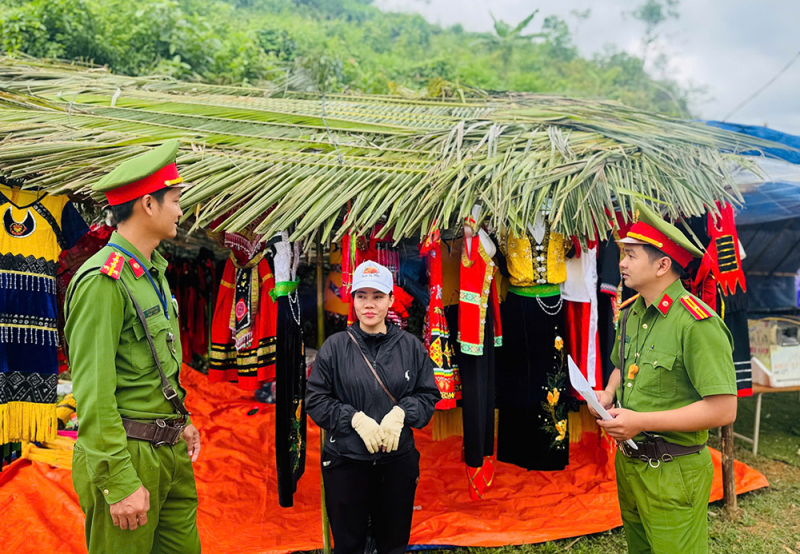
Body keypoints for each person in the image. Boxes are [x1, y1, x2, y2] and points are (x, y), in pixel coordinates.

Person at [64, 140, 202, 554]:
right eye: (175, 200)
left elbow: (153, 367)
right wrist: (118, 480)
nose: (181, 211)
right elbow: (92, 393)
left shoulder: (152, 274)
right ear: (148, 204)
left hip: (169, 449)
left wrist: (180, 418)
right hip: (128, 455)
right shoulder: (103, 281)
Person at [592, 200, 737, 554]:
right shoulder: (631, 313)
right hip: (630, 463)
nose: (621, 263)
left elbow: (723, 410)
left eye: (630, 255)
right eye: (621, 254)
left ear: (662, 265)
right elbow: (619, 365)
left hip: (675, 471)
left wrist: (641, 421)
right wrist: (608, 393)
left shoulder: (696, 323)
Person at [306, 260, 441, 554]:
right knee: (349, 544)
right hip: (346, 461)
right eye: (361, 296)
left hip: (396, 462)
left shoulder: (411, 347)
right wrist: (352, 418)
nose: (369, 304)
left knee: (392, 544)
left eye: (377, 296)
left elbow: (428, 395)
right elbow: (315, 399)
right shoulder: (335, 347)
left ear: (391, 300)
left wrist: (402, 412)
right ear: (351, 299)